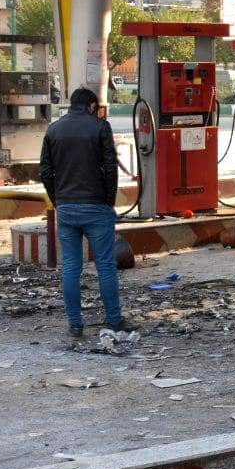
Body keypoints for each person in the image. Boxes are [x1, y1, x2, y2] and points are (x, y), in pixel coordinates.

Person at [39, 87, 134, 339]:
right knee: (105, 265)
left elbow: (45, 172)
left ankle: (75, 324)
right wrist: (108, 201)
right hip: (95, 206)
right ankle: (114, 320)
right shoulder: (100, 127)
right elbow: (111, 168)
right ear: (91, 105)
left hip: (67, 207)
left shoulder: (53, 129)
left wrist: (57, 200)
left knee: (71, 266)